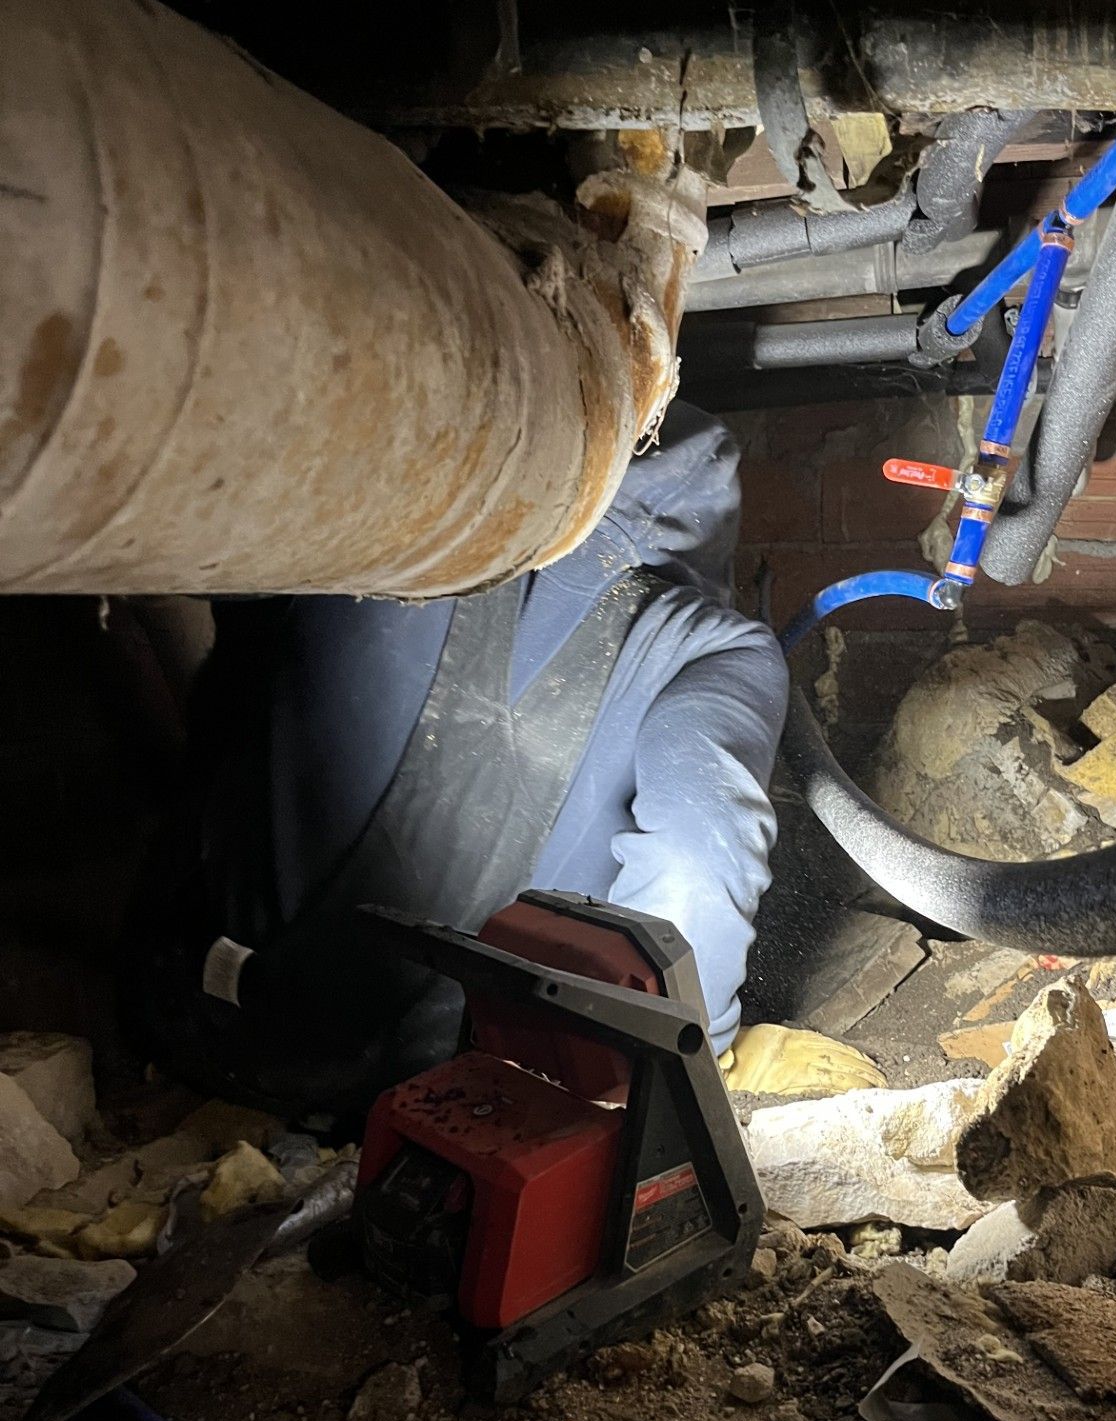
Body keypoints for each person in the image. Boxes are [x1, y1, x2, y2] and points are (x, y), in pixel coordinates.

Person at [125, 405, 788, 1121]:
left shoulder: (375, 524)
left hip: (196, 1015)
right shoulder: (711, 646)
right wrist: (690, 1054)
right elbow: (699, 856)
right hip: (461, 1099)